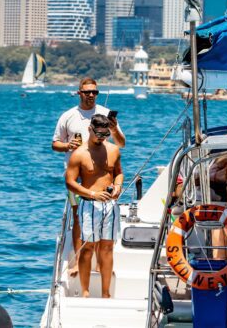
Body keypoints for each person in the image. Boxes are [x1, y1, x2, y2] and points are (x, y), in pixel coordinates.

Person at [52, 78, 126, 274]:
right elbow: (55, 144)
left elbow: (121, 143)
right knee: (78, 216)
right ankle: (77, 261)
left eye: (95, 92)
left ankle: (102, 263)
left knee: (104, 218)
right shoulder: (68, 116)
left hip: (103, 175)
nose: (91, 95)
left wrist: (114, 127)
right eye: (87, 92)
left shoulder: (105, 114)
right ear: (79, 93)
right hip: (77, 176)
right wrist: (68, 146)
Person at [65, 115, 123, 298]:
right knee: (88, 247)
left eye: (105, 134)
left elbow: (118, 173)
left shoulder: (113, 150)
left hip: (110, 205)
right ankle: (85, 291)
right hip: (89, 204)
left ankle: (106, 293)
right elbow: (70, 182)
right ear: (90, 129)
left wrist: (118, 186)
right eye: (98, 133)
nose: (101, 137)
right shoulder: (79, 154)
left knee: (107, 248)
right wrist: (92, 193)